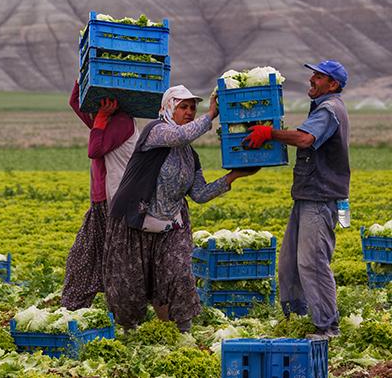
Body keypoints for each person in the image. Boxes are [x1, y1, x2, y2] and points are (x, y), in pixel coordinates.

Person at [104, 85, 258, 331]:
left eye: (193, 108)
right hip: (134, 221)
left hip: (171, 225)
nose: (189, 112)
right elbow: (179, 136)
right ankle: (129, 333)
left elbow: (199, 193)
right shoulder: (154, 132)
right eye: (183, 107)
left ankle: (183, 332)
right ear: (168, 108)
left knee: (179, 274)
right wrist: (210, 116)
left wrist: (234, 176)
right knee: (129, 287)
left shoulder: (190, 155)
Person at [243, 60, 349, 339]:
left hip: (320, 197)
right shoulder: (322, 108)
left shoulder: (330, 110)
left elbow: (304, 139)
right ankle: (298, 320)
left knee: (312, 262)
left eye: (319, 76)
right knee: (290, 263)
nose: (311, 79)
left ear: (333, 84)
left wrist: (270, 133)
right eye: (312, 74)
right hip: (307, 195)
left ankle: (327, 327)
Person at [61, 81, 138, 309]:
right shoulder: (105, 120)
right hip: (99, 202)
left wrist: (102, 118)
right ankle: (74, 307)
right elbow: (75, 102)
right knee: (84, 255)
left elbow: (94, 149)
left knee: (109, 258)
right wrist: (82, 73)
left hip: (114, 202)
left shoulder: (122, 121)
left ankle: (125, 312)